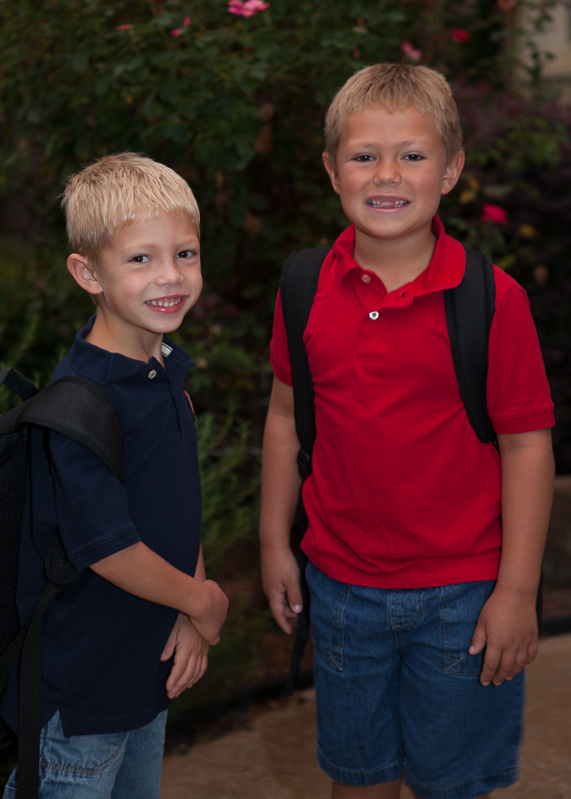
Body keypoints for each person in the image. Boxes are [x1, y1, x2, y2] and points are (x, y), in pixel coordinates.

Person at [260, 64, 555, 799]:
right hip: (341, 588)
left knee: (450, 785)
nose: (386, 174)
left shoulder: (491, 299)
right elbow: (283, 417)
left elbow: (526, 446)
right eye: (364, 155)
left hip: (462, 596)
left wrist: (516, 591)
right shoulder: (303, 287)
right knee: (357, 779)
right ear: (332, 170)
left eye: (412, 155)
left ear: (450, 169)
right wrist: (273, 542)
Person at [1, 153, 229, 799]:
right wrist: (203, 601)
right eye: (140, 259)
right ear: (87, 271)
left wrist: (190, 605)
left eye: (185, 253)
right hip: (81, 693)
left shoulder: (163, 374)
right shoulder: (82, 405)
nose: (170, 276)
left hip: (145, 670)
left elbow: (178, 506)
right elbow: (109, 548)